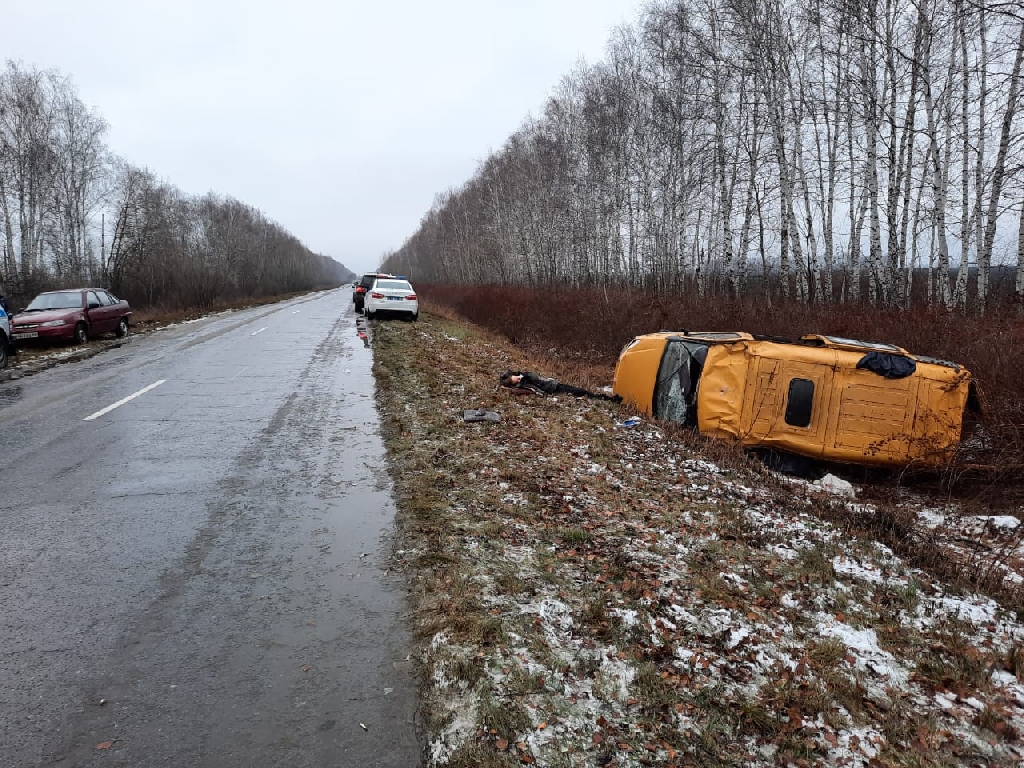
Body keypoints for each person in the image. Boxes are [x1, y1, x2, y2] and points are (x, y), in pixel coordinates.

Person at [499, 370, 621, 402]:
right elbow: (537, 390)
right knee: (582, 391)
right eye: (513, 379)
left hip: (555, 384)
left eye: (514, 376)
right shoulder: (525, 382)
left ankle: (607, 398)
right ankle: (608, 399)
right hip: (555, 388)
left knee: (582, 391)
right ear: (513, 382)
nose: (515, 377)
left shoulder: (522, 375)